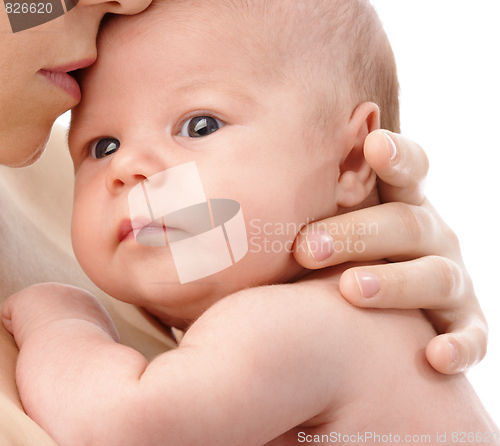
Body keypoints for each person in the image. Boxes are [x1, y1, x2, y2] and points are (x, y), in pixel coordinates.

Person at [3, 1, 496, 444]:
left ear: (348, 160)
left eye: (200, 126)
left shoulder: (302, 323)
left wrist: (62, 322)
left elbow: (121, 426)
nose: (128, 168)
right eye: (102, 146)